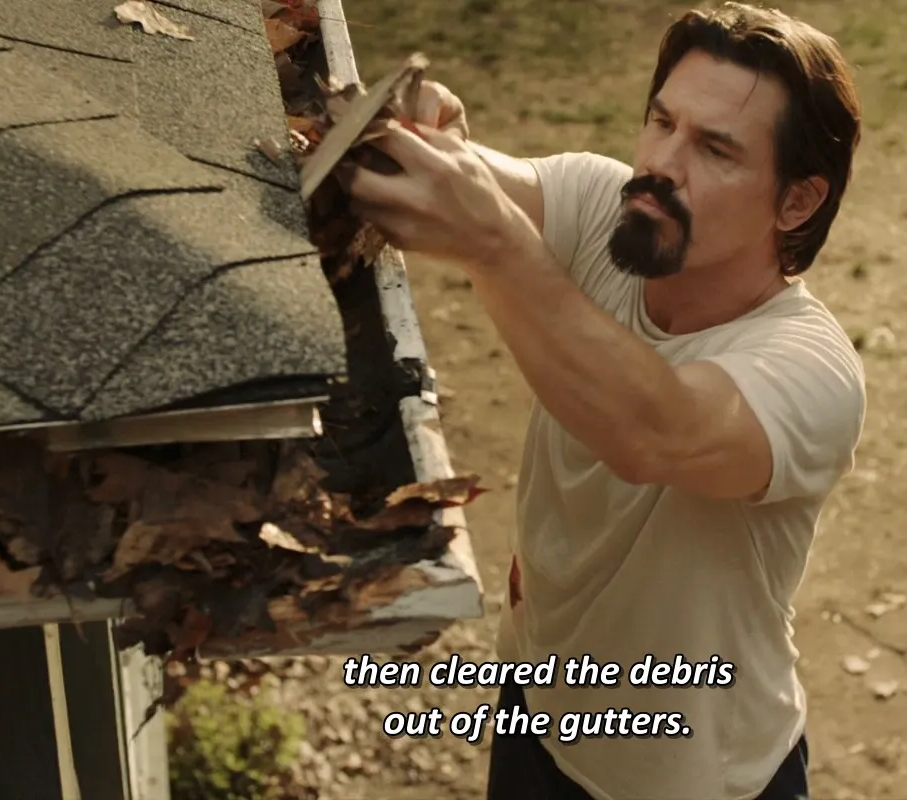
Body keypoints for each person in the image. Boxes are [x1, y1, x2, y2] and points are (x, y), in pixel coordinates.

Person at [338, 3, 865, 798]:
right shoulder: (602, 203)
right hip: (540, 712)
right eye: (662, 121)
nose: (661, 164)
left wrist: (492, 240)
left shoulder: (811, 370)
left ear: (796, 202)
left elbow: (652, 431)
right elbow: (460, 187)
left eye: (715, 149)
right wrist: (422, 139)